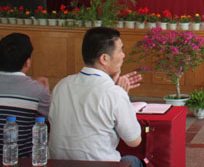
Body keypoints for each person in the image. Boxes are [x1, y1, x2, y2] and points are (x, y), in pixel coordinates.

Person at [49, 27, 144, 167]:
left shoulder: (62, 85)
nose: (123, 55)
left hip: (58, 164)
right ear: (104, 58)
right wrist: (122, 95)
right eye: (120, 50)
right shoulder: (114, 93)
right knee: (135, 161)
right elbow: (134, 141)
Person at [0, 33, 51, 159]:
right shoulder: (38, 90)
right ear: (27, 62)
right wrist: (45, 91)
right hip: (21, 159)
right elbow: (51, 117)